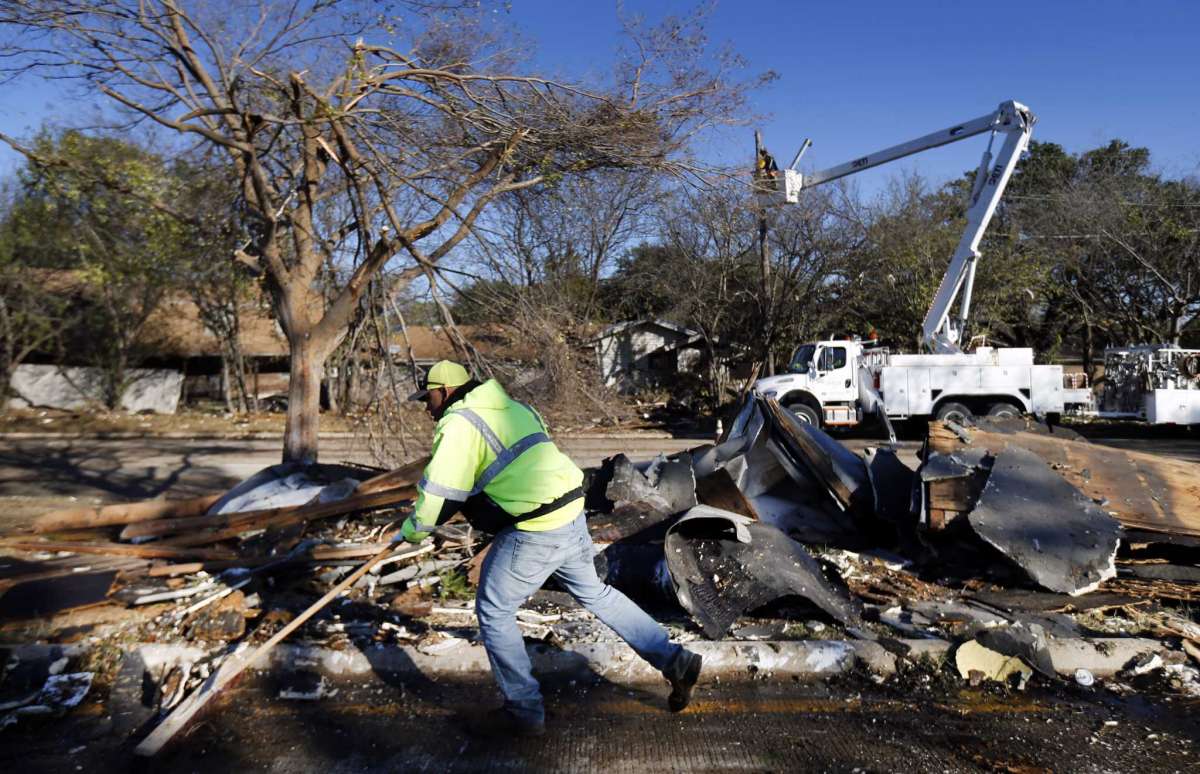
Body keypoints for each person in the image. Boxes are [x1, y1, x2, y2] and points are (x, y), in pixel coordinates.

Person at [397, 360, 702, 738]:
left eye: (428, 398)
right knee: (596, 593)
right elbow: (518, 466)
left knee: (493, 609)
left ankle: (522, 711)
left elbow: (439, 491)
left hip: (538, 527)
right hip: (571, 512)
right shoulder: (513, 407)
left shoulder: (458, 423)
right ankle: (675, 660)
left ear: (444, 392)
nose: (427, 408)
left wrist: (411, 531)